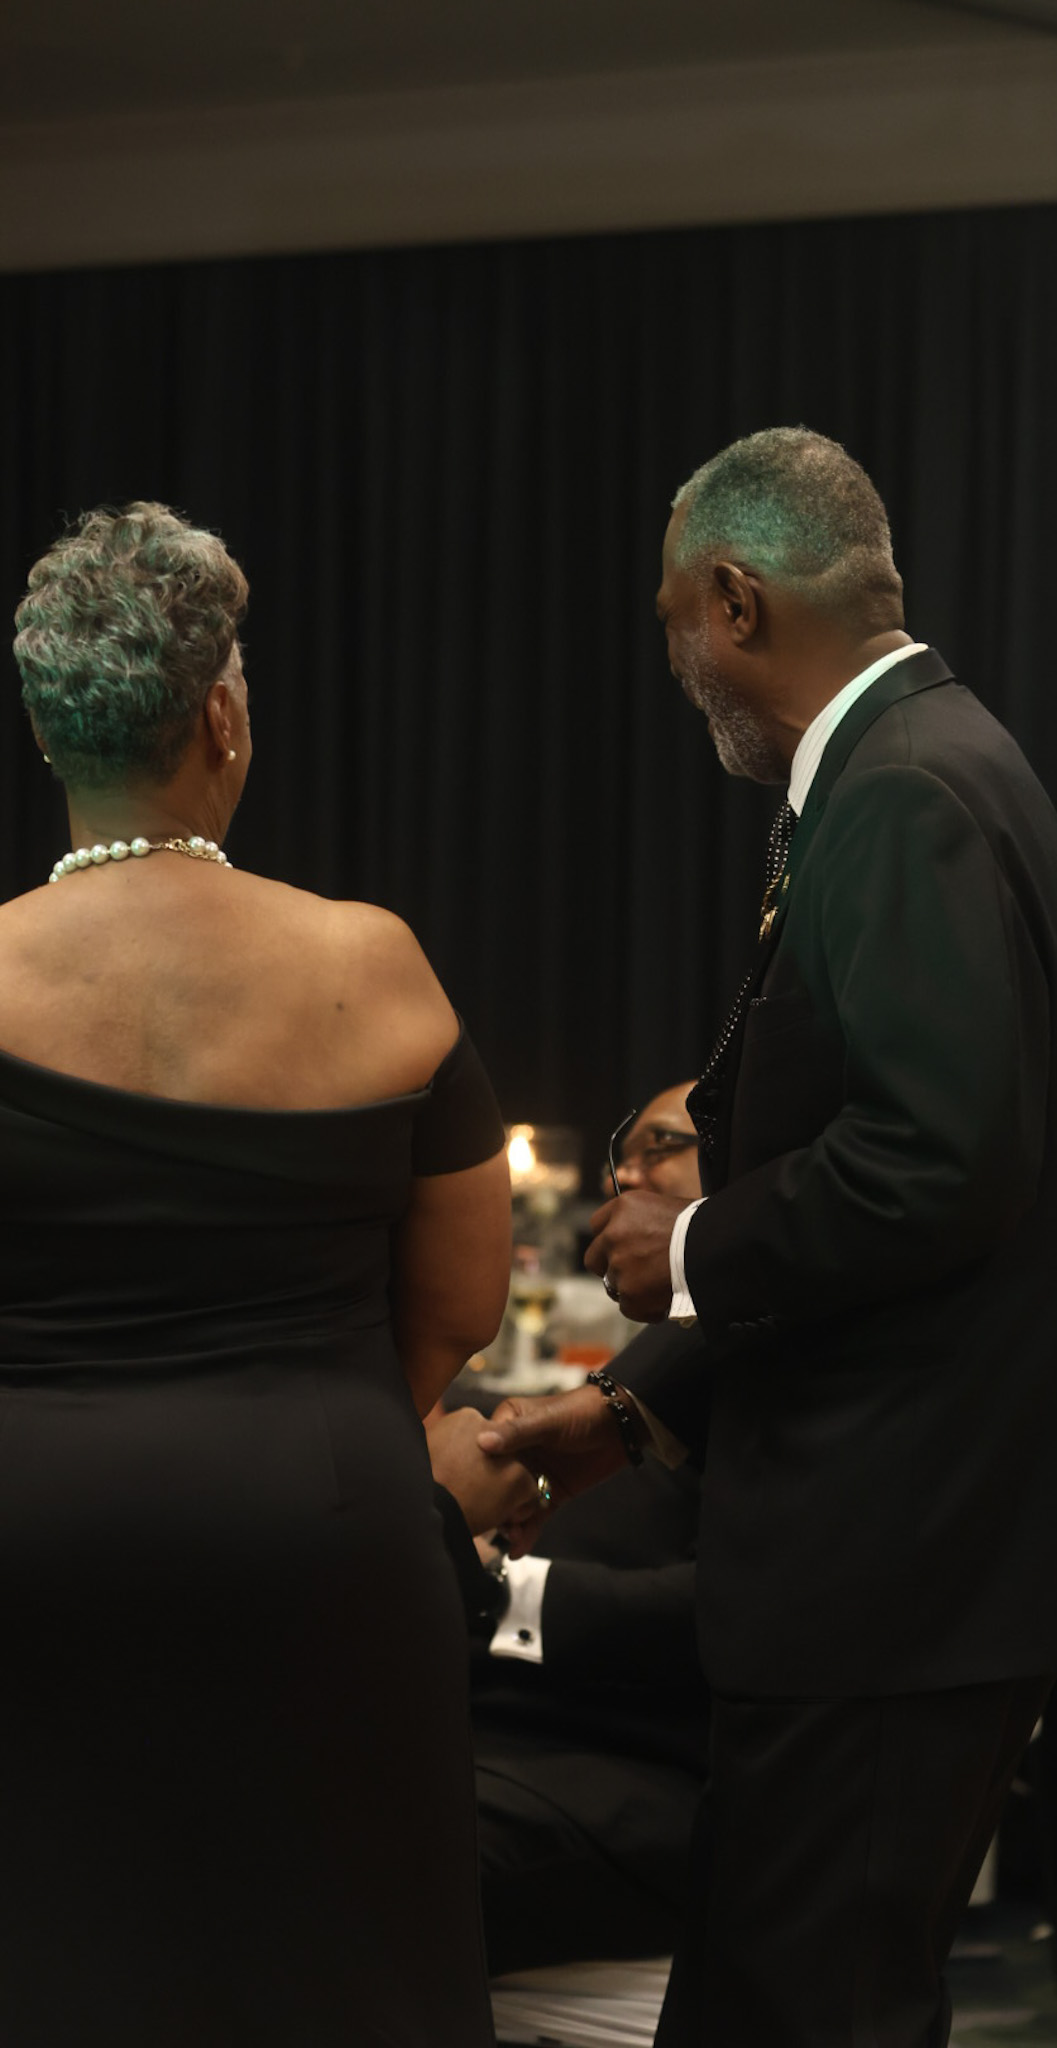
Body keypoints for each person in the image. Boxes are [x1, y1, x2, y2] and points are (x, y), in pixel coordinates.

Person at [478, 429, 1057, 2048]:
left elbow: (933, 1163)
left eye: (674, 620)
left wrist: (693, 1243)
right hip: (918, 1547)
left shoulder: (900, 790)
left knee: (798, 2012)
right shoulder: (925, 755)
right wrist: (633, 1405)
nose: (676, 664)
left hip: (907, 1553)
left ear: (736, 600)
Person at [0, 502, 533, 2047]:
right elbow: (464, 1304)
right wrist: (316, 1416)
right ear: (223, 717)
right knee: (340, 1969)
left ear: (47, 731)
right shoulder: (371, 961)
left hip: (33, 1545)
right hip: (325, 1537)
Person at [426, 1085, 708, 1977]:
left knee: (353, 1853)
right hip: (471, 1730)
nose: (627, 1175)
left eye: (662, 1144)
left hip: (632, 1765)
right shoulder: (603, 1388)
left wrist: (492, 1595)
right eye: (621, 1154)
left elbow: (743, 1605)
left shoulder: (775, 1383)